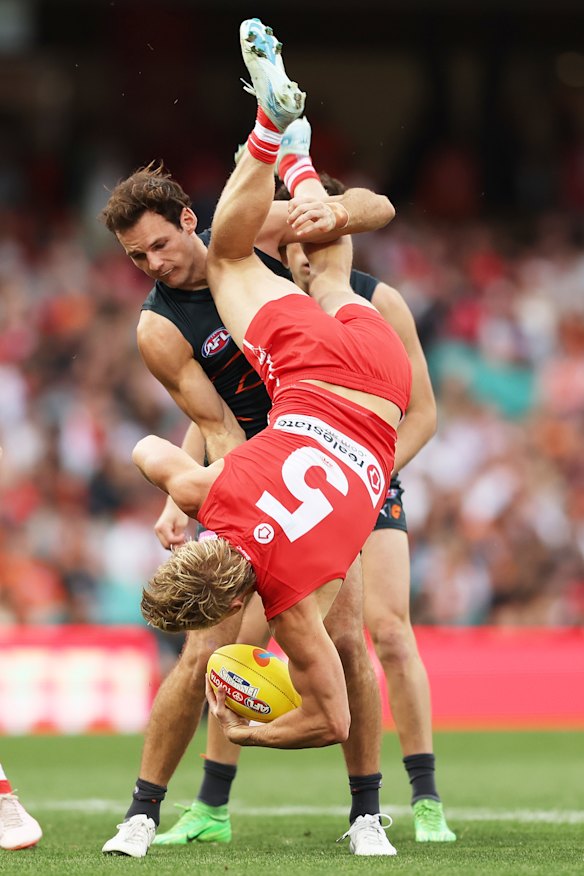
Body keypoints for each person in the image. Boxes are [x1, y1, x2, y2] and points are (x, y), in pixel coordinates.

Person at [100, 22, 398, 859]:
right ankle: (145, 812)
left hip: (313, 436)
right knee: (204, 650)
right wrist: (218, 506)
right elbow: (215, 425)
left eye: (160, 245)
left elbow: (378, 210)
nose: (153, 265)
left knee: (347, 637)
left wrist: (329, 206)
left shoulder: (255, 231)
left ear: (187, 220)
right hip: (277, 452)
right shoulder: (159, 328)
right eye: (136, 258)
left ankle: (366, 813)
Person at [153, 165, 455, 847]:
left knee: (384, 632)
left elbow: (424, 414)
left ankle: (418, 800)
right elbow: (223, 408)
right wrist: (185, 484)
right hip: (295, 471)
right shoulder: (274, 294)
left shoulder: (375, 299)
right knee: (244, 639)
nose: (298, 252)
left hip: (370, 470)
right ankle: (212, 803)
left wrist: (365, 477)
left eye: (309, 236)